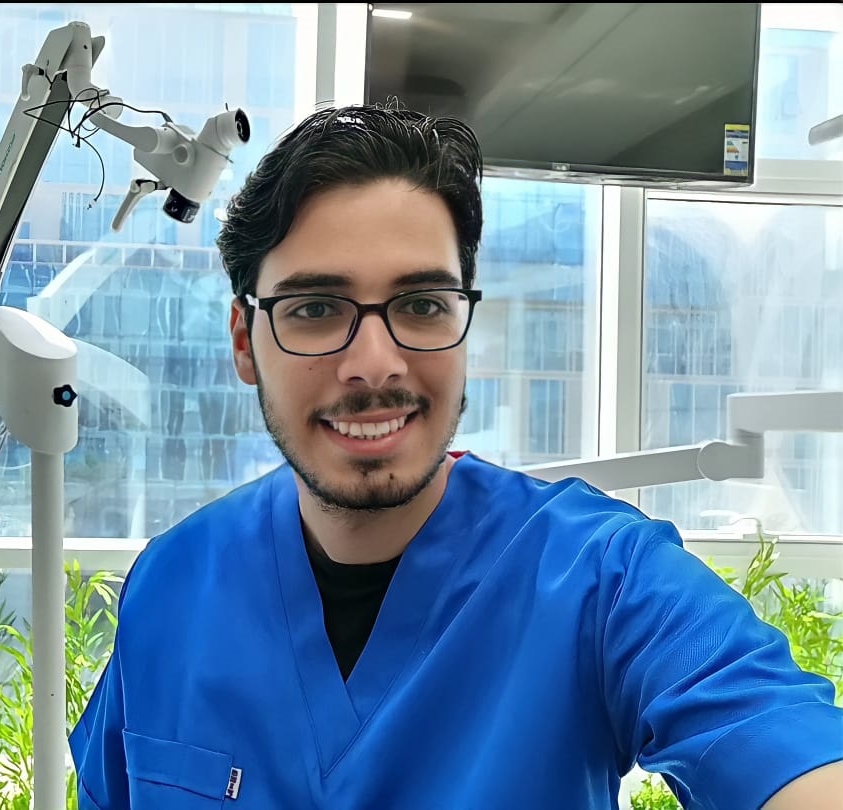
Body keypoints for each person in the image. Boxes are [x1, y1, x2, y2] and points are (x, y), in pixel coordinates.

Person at [69, 103, 843, 809]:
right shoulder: (169, 586)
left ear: (464, 324)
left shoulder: (600, 580)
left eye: (420, 305)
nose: (375, 364)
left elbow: (777, 740)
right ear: (245, 342)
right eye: (315, 308)